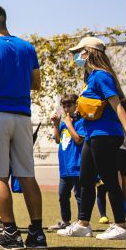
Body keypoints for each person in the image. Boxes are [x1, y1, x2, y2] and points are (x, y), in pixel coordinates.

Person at [0, 3, 48, 250]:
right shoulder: (27, 47)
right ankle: (36, 233)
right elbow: (35, 83)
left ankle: (10, 232)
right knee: (27, 175)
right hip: (22, 116)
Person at [57, 36, 126, 241]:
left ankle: (121, 225)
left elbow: (117, 105)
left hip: (105, 135)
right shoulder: (90, 79)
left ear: (89, 53)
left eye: (80, 51)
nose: (77, 56)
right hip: (92, 135)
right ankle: (83, 224)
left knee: (109, 180)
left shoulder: (101, 76)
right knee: (85, 179)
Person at [48, 95, 85, 232]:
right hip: (65, 168)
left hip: (76, 165)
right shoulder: (63, 123)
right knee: (63, 195)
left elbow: (78, 140)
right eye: (64, 106)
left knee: (79, 195)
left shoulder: (80, 122)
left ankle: (82, 223)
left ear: (76, 105)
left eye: (69, 105)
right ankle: (65, 221)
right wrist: (56, 125)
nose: (66, 109)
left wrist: (69, 124)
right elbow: (57, 140)